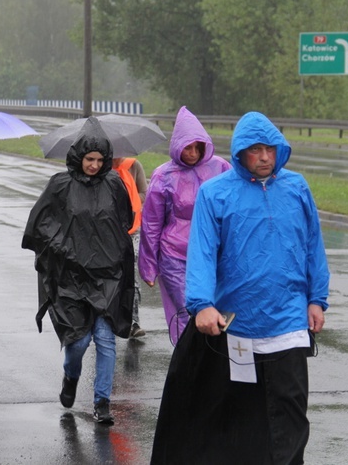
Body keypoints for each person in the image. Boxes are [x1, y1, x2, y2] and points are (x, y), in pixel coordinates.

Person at [150, 111, 330, 464]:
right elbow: (201, 251)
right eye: (255, 150)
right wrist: (201, 304)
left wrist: (317, 299)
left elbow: (313, 245)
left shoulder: (297, 188)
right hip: (238, 329)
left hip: (289, 325)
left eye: (270, 149)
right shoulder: (216, 194)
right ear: (239, 153)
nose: (264, 157)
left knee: (291, 414)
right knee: (242, 419)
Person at [22, 118, 135, 425]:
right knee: (79, 342)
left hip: (107, 276)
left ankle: (102, 402)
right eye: (89, 159)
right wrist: (66, 248)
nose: (95, 165)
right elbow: (39, 225)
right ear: (78, 157)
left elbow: (125, 220)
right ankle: (71, 376)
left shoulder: (114, 184)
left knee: (106, 340)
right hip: (71, 277)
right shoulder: (60, 185)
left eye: (100, 160)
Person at [138, 106, 231, 345]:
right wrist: (148, 265)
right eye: (187, 147)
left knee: (214, 309)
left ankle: (210, 365)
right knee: (187, 311)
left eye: (196, 147)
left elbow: (235, 206)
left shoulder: (220, 168)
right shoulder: (164, 175)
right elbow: (151, 223)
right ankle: (186, 362)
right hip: (174, 254)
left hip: (212, 253)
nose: (191, 153)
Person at [111, 156, 148, 338]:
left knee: (131, 274)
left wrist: (127, 197)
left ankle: (133, 322)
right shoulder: (99, 164)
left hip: (132, 228)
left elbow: (144, 192)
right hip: (106, 229)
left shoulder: (133, 165)